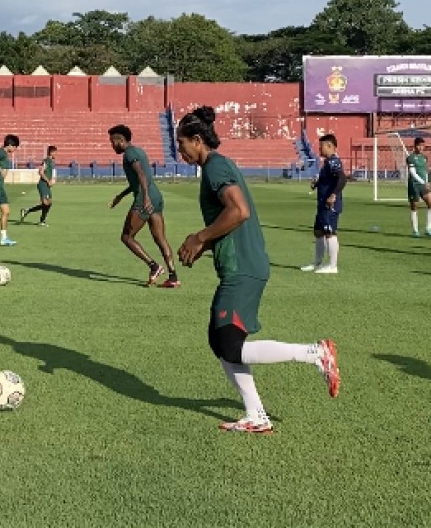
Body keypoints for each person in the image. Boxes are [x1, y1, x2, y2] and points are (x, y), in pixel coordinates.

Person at [175, 107, 339, 434]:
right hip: (244, 265)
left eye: (182, 145)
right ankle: (256, 416)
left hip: (243, 269)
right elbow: (229, 220)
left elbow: (240, 211)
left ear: (197, 140)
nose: (180, 151)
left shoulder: (214, 168)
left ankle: (315, 353)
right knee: (220, 340)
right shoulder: (218, 166)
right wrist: (202, 244)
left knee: (228, 344)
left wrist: (199, 236)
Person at [108, 124, 178, 287]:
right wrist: (121, 196)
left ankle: (154, 266)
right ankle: (173, 277)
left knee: (126, 237)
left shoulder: (130, 153)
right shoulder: (139, 151)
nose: (112, 145)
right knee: (160, 238)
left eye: (112, 141)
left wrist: (145, 197)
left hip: (144, 199)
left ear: (121, 140)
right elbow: (138, 180)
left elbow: (140, 174)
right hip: (156, 196)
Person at [301, 134, 345, 274]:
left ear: (330, 146)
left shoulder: (334, 162)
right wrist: (317, 183)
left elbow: (342, 178)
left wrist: (333, 195)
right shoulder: (327, 162)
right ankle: (317, 264)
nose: (319, 150)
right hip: (322, 204)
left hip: (330, 204)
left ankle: (333, 266)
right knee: (318, 232)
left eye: (321, 147)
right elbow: (328, 180)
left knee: (329, 232)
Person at [406, 137, 431, 238]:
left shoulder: (424, 157)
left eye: (422, 146)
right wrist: (423, 182)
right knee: (414, 207)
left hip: (424, 185)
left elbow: (425, 171)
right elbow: (413, 173)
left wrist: (427, 182)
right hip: (414, 185)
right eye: (419, 145)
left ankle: (428, 229)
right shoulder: (410, 158)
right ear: (415, 146)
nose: (421, 147)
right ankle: (415, 230)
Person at [20, 145, 57, 226]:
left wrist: (52, 180)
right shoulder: (46, 161)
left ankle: (27, 211)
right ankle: (41, 220)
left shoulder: (51, 161)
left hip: (47, 185)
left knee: (49, 203)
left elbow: (49, 173)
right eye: (55, 152)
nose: (56, 154)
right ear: (51, 152)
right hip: (43, 184)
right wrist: (48, 181)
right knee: (45, 203)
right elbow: (40, 172)